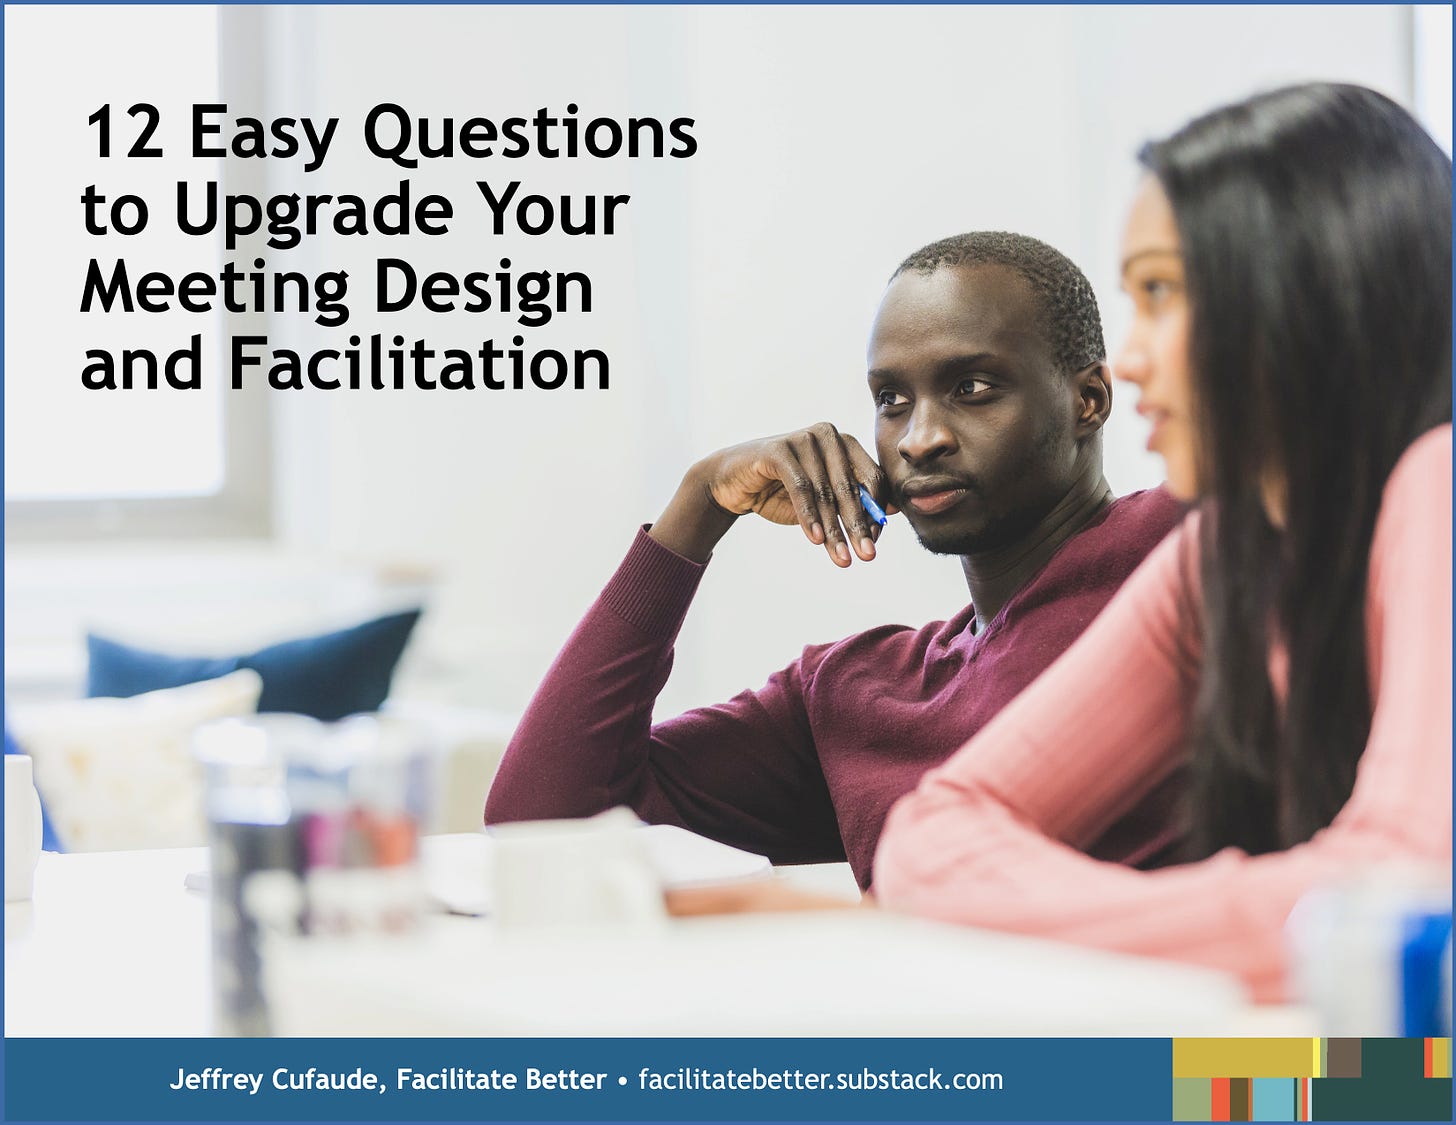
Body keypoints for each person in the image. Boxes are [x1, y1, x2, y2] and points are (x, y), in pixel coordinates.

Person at [870, 84, 1452, 1000]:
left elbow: (1403, 892)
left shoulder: (1440, 480)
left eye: (1164, 292)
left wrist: (1029, 918)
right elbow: (935, 832)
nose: (1131, 357)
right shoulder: (1224, 552)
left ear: (1306, 289)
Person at [486, 232, 1184, 889]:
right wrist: (696, 509)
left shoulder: (1187, 544)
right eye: (892, 399)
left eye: (972, 388)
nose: (920, 438)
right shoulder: (855, 693)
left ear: (1088, 400)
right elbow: (540, 827)